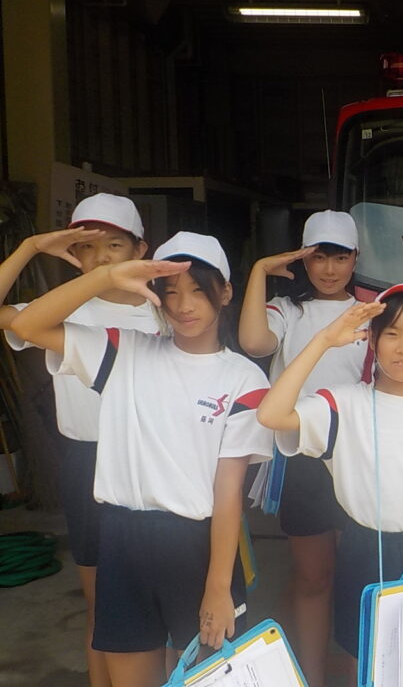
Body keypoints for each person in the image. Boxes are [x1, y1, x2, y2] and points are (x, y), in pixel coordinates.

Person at [11, 231, 273, 687]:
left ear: (226, 292)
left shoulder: (244, 380)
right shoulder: (123, 351)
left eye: (198, 290)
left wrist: (217, 588)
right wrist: (106, 276)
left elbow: (228, 491)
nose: (184, 305)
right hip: (121, 537)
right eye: (170, 292)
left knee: (209, 677)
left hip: (197, 545)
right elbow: (27, 326)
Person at [257, 283, 403, 666]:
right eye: (392, 334)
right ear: (372, 340)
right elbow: (271, 414)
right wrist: (324, 340)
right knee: (363, 663)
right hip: (362, 547)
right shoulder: (343, 404)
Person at [0, 193, 162, 687]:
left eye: (114, 245)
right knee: (102, 605)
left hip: (158, 464)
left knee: (161, 599)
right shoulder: (59, 312)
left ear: (140, 250)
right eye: (86, 247)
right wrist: (30, 247)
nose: (101, 259)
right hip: (88, 462)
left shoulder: (167, 312)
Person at [238, 210, 364, 687]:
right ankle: (311, 677)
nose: (329, 269)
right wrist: (258, 272)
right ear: (303, 260)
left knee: (357, 574)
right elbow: (253, 342)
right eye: (319, 257)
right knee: (314, 577)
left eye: (340, 257)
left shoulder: (375, 310)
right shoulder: (286, 310)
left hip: (360, 455)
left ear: (355, 259)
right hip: (301, 457)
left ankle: (359, 673)